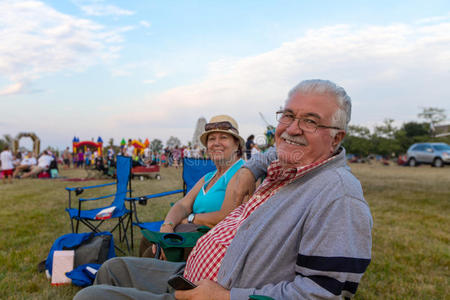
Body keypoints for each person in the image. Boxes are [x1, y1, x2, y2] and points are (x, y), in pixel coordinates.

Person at [75, 79, 372, 300]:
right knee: (112, 268)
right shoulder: (282, 165)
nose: (293, 128)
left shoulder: (337, 196)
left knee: (89, 298)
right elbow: (271, 152)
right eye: (288, 115)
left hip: (220, 292)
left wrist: (226, 297)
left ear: (336, 139)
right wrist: (249, 169)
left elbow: (323, 294)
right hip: (190, 274)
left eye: (310, 121)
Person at [139, 115, 246, 258]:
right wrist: (168, 226)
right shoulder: (209, 177)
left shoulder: (243, 173)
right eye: (212, 139)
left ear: (237, 144)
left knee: (153, 253)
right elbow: (182, 205)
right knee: (148, 240)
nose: (216, 143)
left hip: (213, 243)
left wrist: (189, 219)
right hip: (191, 232)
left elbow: (226, 216)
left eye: (223, 137)